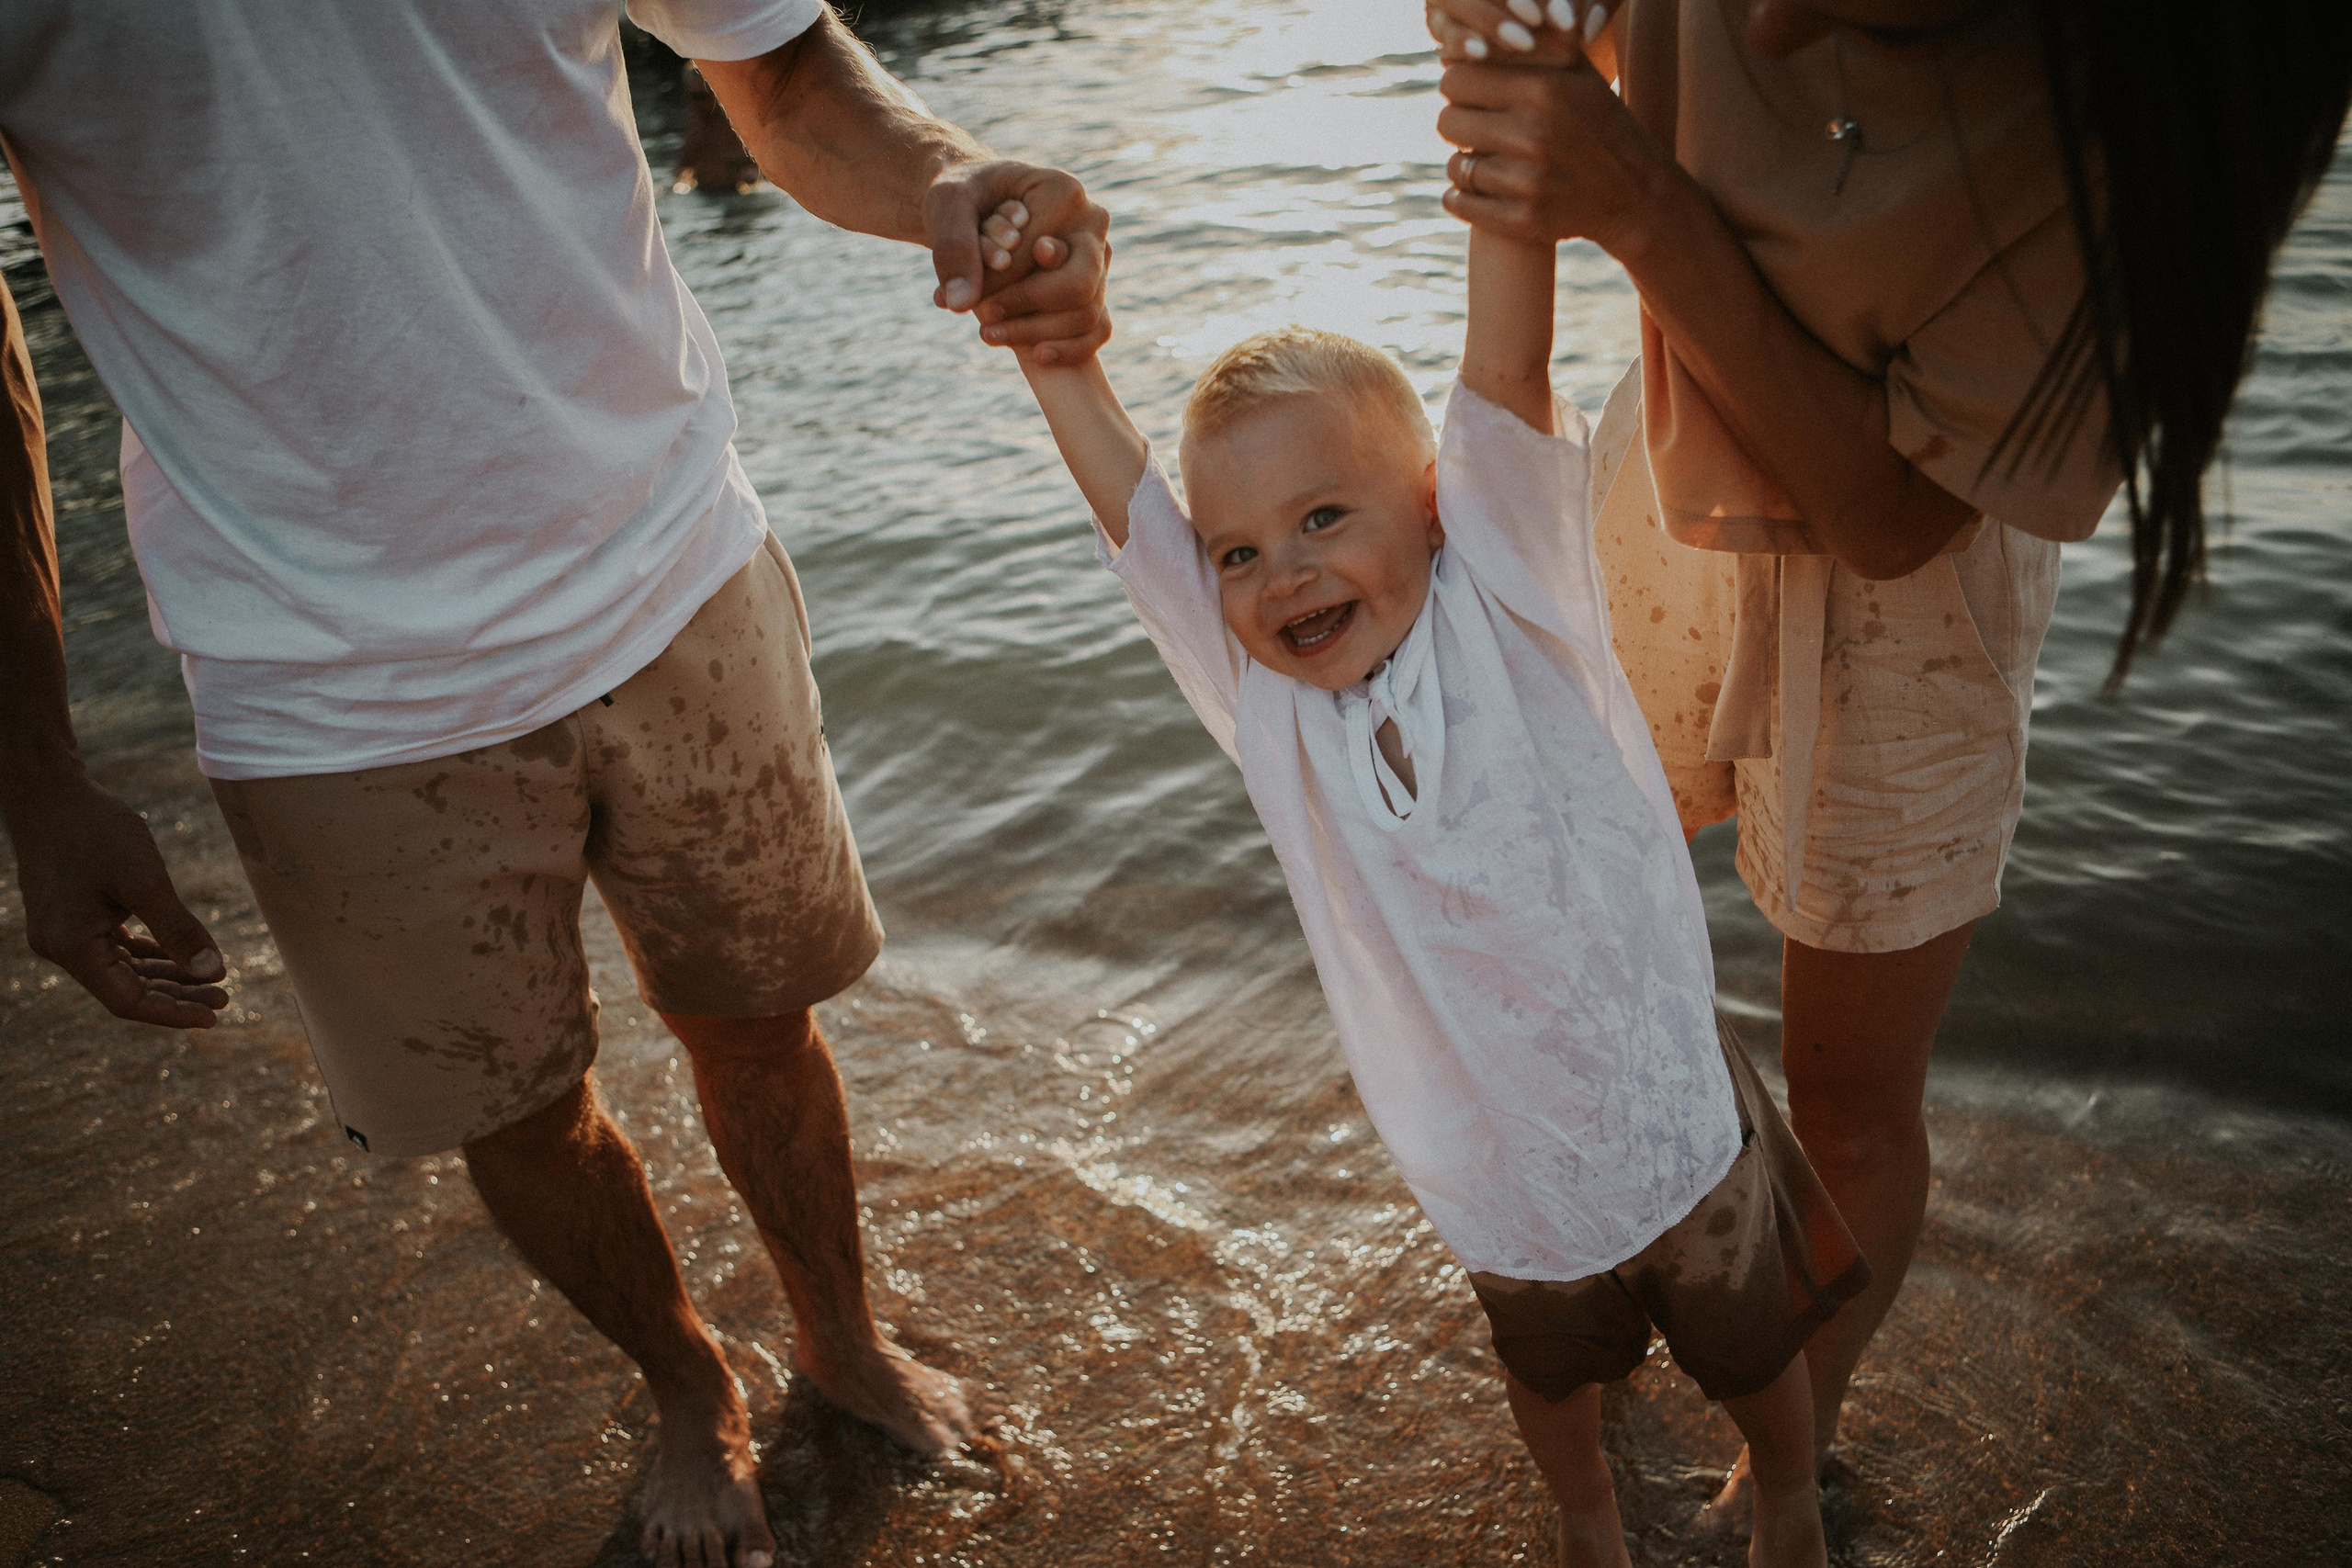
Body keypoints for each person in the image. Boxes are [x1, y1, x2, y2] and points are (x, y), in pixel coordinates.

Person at [0, 6, 1106, 1566]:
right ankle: (687, 1387)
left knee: (760, 1020)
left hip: (671, 559)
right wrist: (39, 776)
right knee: (515, 1109)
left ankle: (840, 1341)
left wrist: (947, 169)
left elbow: (778, 67)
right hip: (323, 677)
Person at [1422, 0, 2352, 1518]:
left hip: (1917, 584)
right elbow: (1566, 55)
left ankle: (1787, 1457)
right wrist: (1518, 41)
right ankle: (1616, 1312)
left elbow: (1887, 517)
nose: (1764, 28)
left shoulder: (2124, 133)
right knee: (1571, 961)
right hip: (1672, 463)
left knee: (1848, 1095)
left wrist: (1640, 204)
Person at [971, 186, 1871, 1566]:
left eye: (1325, 516)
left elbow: (1506, 364)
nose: (1285, 574)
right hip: (1490, 1161)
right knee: (1548, 1373)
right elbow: (1136, 516)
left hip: (1660, 1111)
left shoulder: (1512, 598)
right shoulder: (1264, 705)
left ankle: (1790, 1493)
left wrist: (1510, 151)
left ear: (1437, 505)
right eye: (1240, 552)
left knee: (1749, 1344)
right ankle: (1587, 1515)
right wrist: (1060, 360)